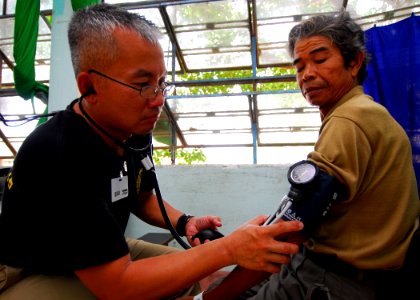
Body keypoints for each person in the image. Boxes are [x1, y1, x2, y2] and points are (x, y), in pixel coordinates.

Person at [0, 3, 304, 300]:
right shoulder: (59, 154)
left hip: (96, 254)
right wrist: (228, 248)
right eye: (144, 84)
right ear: (89, 87)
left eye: (161, 83)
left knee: (197, 277)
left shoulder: (132, 130)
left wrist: (185, 222)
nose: (158, 100)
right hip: (29, 270)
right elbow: (118, 286)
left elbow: (142, 196)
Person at [187, 10, 420, 300]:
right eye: (299, 67)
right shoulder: (365, 112)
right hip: (349, 272)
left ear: (354, 62)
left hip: (329, 279)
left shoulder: (349, 120)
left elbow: (292, 230)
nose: (307, 73)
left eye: (320, 60)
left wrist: (211, 297)